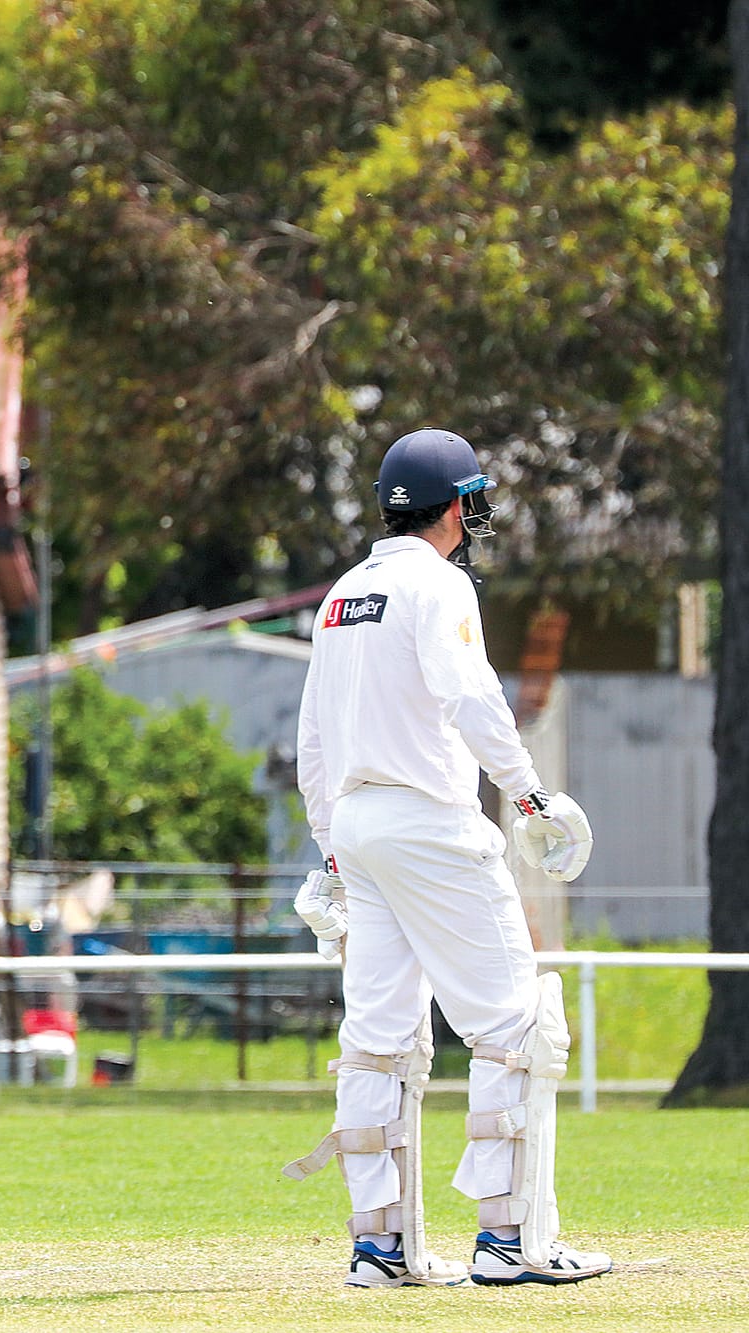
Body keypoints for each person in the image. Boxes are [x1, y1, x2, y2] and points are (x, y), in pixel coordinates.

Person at [287, 428, 612, 1288]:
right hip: (432, 823)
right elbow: (471, 696)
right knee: (514, 1029)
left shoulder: (342, 596)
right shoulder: (440, 585)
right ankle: (513, 1244)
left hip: (357, 826)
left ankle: (378, 1250)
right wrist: (532, 793)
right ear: (457, 506)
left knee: (379, 1041)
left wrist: (329, 848)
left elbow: (312, 739)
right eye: (473, 500)